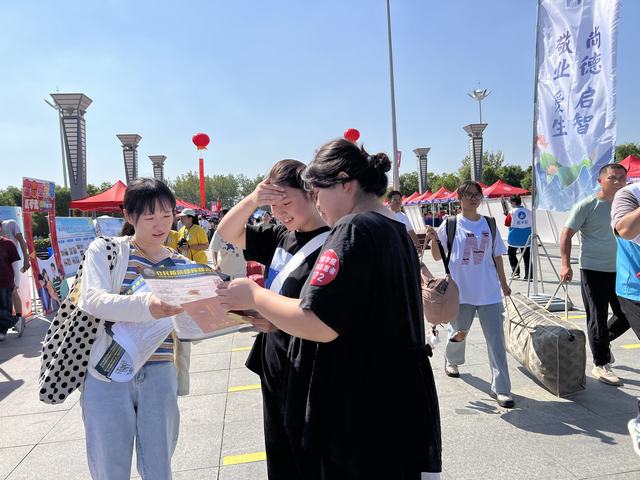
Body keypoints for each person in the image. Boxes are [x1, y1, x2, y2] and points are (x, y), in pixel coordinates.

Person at [218, 140, 442, 479]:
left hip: (363, 402)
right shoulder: (394, 228)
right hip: (398, 395)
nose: (318, 203)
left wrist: (254, 295)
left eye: (318, 192)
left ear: (344, 182)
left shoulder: (353, 229)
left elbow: (319, 321)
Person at [216, 159, 330, 478]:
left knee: (305, 460)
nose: (280, 213)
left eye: (286, 203)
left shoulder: (332, 244)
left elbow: (321, 314)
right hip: (274, 363)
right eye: (273, 206)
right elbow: (227, 232)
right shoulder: (282, 234)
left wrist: (266, 308)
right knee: (279, 456)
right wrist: (253, 199)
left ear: (311, 193)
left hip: (307, 370)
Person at [77, 178, 191, 479]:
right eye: (150, 216)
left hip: (160, 372)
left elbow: (187, 326)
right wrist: (148, 306)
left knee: (159, 469)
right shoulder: (107, 250)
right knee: (110, 469)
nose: (161, 224)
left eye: (167, 214)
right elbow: (93, 300)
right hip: (108, 373)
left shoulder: (180, 264)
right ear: (129, 215)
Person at [426, 180, 514, 408]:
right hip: (460, 292)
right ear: (459, 199)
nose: (473, 198)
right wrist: (434, 239)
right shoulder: (451, 224)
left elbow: (497, 256)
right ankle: (452, 359)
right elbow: (436, 256)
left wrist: (504, 283)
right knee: (459, 333)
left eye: (476, 194)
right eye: (468, 195)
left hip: (489, 292)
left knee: (496, 341)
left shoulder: (489, 224)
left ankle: (501, 388)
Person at [560, 163, 629, 386]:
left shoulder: (628, 205)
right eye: (613, 178)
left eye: (622, 178)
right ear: (600, 181)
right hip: (593, 269)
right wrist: (565, 265)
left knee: (627, 314)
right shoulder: (588, 205)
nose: (618, 182)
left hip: (622, 269)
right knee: (597, 316)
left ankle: (601, 344)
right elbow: (566, 234)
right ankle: (601, 363)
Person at [0, 218, 30, 322]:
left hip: (12, 262)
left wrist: (26, 258)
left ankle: (19, 319)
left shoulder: (10, 223)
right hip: (3, 262)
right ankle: (14, 320)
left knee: (14, 291)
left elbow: (21, 240)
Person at [0, 236, 24, 340]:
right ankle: (16, 320)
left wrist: (17, 283)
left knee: (5, 307)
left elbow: (15, 265)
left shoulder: (8, 243)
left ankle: (2, 332)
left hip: (5, 282)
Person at [504, 194, 532, 279]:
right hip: (527, 237)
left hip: (514, 237)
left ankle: (516, 272)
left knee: (511, 254)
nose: (510, 204)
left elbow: (507, 223)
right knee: (527, 256)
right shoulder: (529, 211)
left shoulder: (511, 212)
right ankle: (529, 275)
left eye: (510, 203)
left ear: (514, 202)